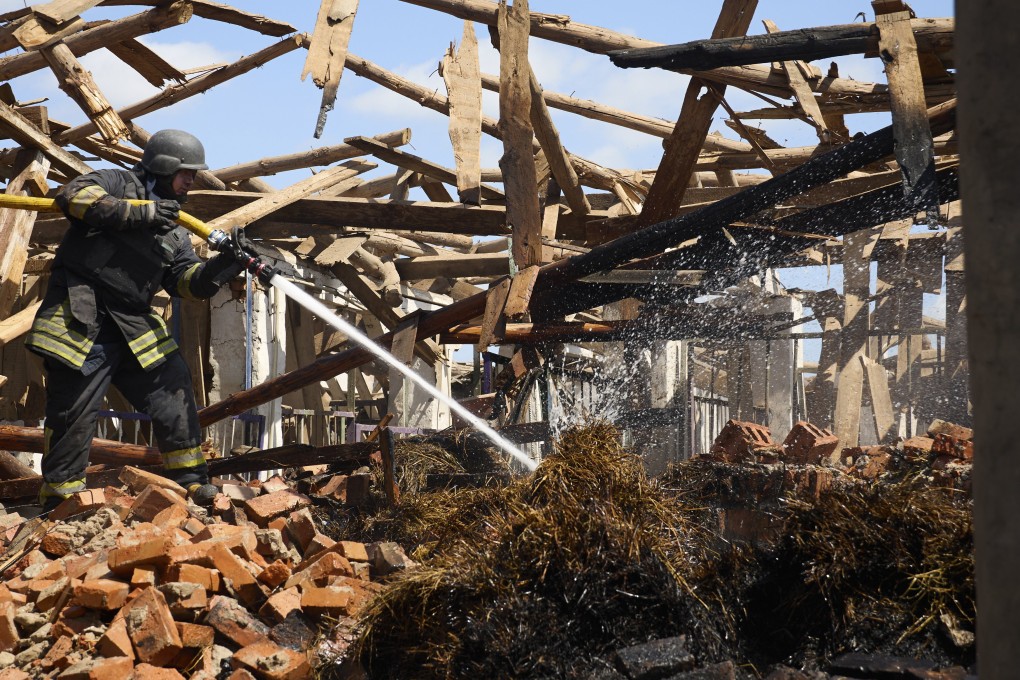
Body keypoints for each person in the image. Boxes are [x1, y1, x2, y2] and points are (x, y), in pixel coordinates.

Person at [26, 129, 248, 511]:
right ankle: (60, 504)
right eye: (186, 173)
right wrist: (140, 213)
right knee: (72, 415)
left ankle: (192, 484)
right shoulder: (116, 181)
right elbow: (72, 196)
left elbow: (186, 284)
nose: (191, 181)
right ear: (163, 166)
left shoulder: (176, 231)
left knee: (173, 389)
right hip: (82, 318)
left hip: (133, 326)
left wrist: (223, 266)